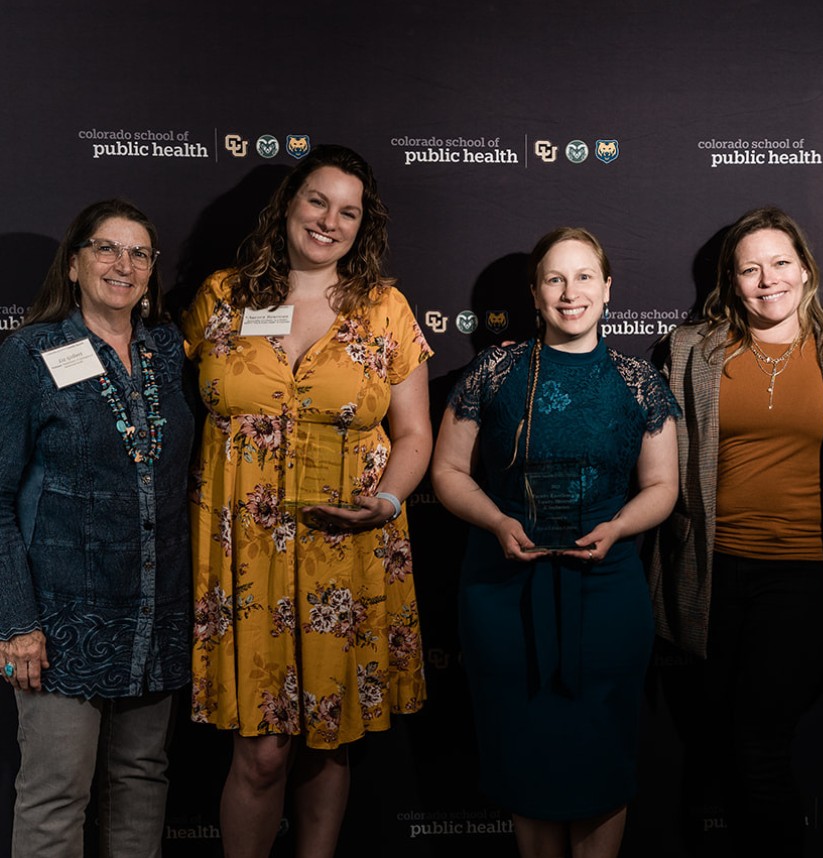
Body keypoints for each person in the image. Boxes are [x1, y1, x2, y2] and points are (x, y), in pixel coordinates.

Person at [183, 144, 433, 857]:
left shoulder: (384, 309)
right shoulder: (222, 298)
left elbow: (415, 432)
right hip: (246, 558)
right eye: (318, 201)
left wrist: (384, 504)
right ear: (289, 204)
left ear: (364, 225)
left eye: (348, 211)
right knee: (260, 755)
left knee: (329, 740)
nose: (329, 221)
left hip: (346, 546)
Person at [431, 226, 679, 858]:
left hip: (606, 589)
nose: (572, 293)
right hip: (505, 585)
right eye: (555, 279)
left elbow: (662, 486)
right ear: (536, 294)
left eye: (585, 277)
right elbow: (448, 473)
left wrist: (619, 526)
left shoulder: (640, 381)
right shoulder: (493, 371)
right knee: (527, 759)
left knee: (602, 757)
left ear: (608, 288)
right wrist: (496, 521)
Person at [645, 205, 823, 854]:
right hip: (712, 575)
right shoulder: (693, 352)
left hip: (805, 576)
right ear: (730, 282)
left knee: (757, 740)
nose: (767, 280)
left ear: (806, 271)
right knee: (726, 745)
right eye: (750, 269)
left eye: (779, 263)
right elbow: (653, 447)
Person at [0, 199, 192, 856]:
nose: (123, 264)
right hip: (58, 619)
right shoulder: (31, 353)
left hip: (152, 613)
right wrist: (15, 622)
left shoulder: (169, 350)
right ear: (76, 262)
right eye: (106, 248)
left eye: (139, 253)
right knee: (56, 793)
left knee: (142, 778)